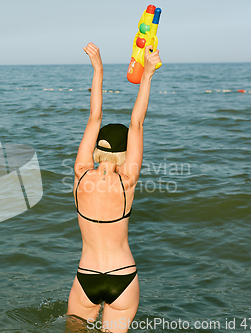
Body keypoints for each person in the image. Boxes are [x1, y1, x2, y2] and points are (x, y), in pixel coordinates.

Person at [66, 42, 161, 333]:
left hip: (87, 275)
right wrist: (147, 74)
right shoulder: (127, 180)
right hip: (123, 275)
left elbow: (94, 117)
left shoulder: (81, 174)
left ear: (97, 151)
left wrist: (98, 68)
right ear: (124, 154)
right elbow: (138, 122)